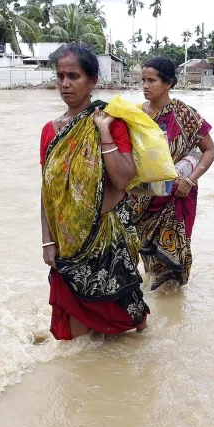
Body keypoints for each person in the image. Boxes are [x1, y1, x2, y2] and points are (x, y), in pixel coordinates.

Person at [40, 43, 149, 340]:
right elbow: (48, 191)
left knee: (130, 323)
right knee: (76, 338)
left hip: (108, 239)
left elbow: (124, 178)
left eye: (73, 76)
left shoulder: (109, 121)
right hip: (68, 243)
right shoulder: (51, 131)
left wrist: (102, 132)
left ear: (92, 81)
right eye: (60, 76)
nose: (65, 83)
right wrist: (47, 242)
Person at [132, 57, 214, 290]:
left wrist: (190, 180)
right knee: (148, 260)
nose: (145, 85)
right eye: (143, 80)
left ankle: (173, 305)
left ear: (168, 83)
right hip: (142, 200)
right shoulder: (135, 115)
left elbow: (210, 151)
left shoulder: (186, 115)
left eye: (151, 80)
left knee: (172, 261)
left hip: (177, 195)